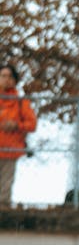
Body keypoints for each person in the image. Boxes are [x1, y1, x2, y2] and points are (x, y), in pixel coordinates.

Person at [0, 62, 36, 206]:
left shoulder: (21, 102)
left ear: (15, 80)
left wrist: (16, 125)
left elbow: (32, 124)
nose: (6, 80)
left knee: (4, 189)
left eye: (9, 76)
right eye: (3, 76)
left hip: (10, 151)